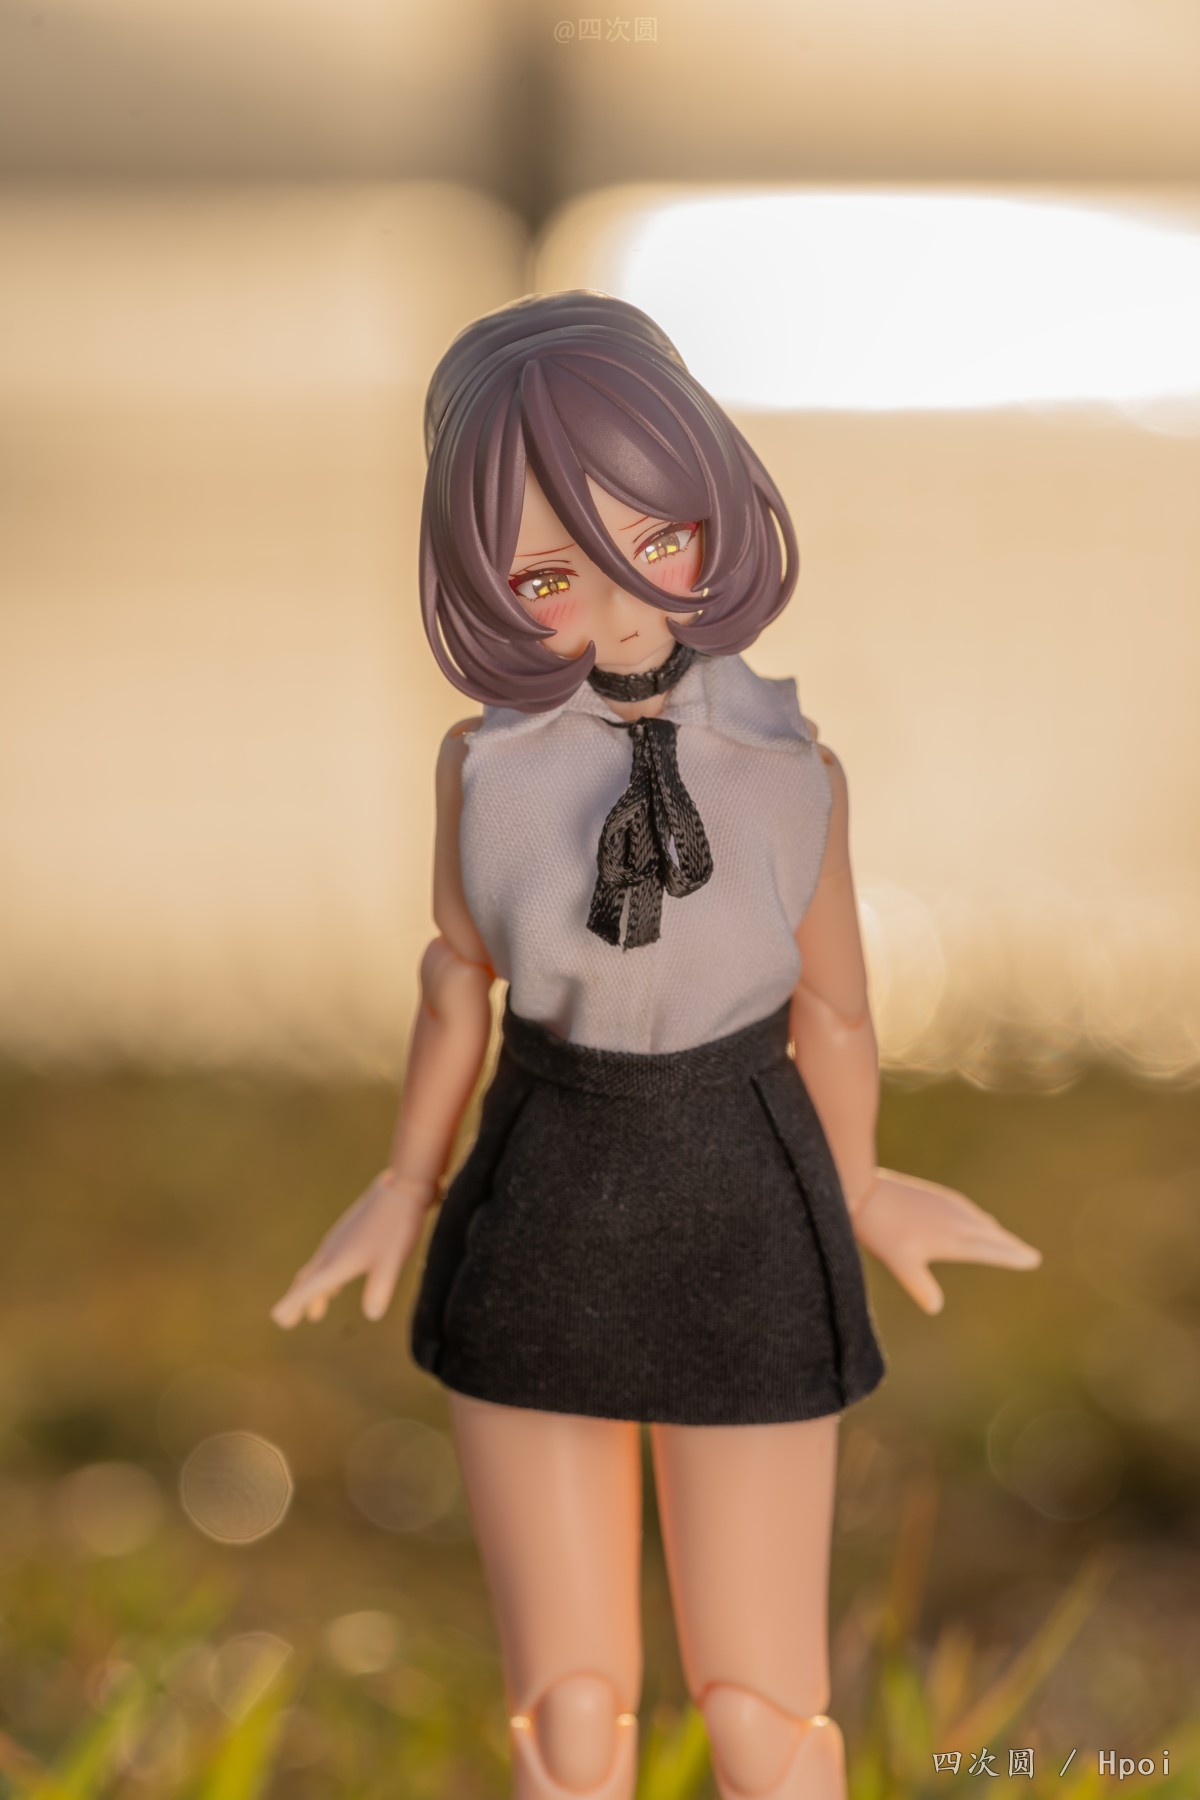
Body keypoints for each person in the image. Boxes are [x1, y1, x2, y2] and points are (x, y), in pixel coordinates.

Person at [271, 291, 1041, 1800]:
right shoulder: (485, 772)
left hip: (743, 1199)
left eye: (659, 540)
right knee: (567, 1707)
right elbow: (455, 979)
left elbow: (836, 1006)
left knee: (765, 1707)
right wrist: (403, 1186)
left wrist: (862, 1187)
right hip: (546, 1195)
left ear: (715, 513)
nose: (620, 606)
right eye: (547, 574)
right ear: (481, 582)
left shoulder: (791, 768)